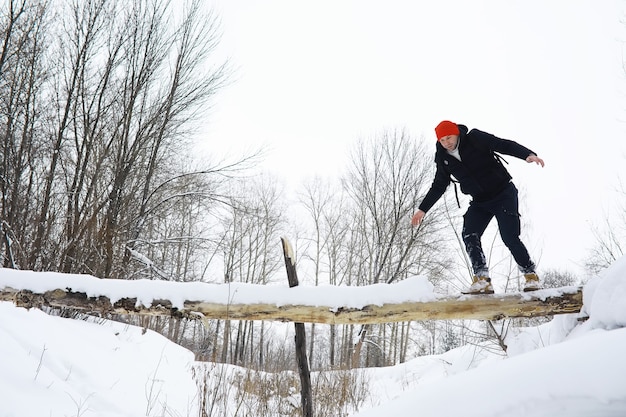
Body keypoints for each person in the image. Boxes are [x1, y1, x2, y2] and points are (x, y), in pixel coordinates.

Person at [411, 120, 545, 294]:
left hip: (503, 193)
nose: (447, 143)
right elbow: (439, 185)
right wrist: (422, 209)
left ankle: (530, 275)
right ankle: (482, 279)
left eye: (449, 137)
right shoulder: (443, 157)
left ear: (456, 133)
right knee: (469, 233)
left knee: (509, 237)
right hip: (480, 201)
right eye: (442, 140)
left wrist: (527, 154)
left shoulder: (475, 138)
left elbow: (503, 144)